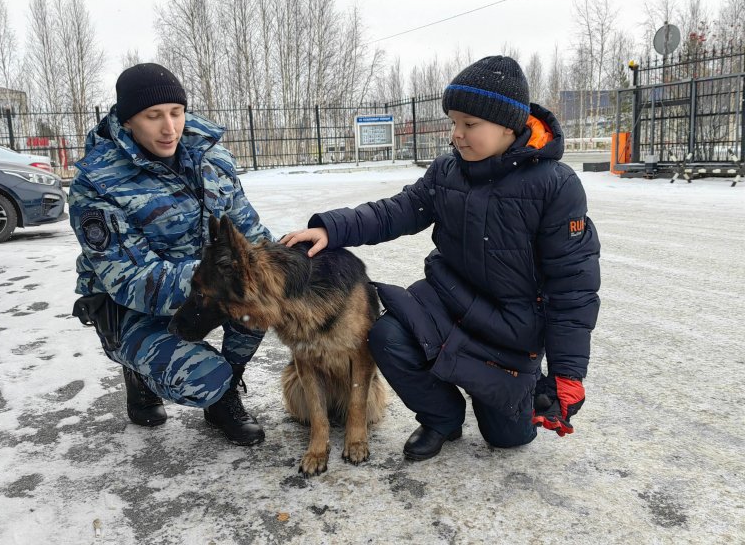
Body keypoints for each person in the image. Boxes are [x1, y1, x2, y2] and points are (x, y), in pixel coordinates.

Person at [281, 55, 601, 460]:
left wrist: (567, 374)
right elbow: (396, 211)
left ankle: (503, 398)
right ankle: (442, 416)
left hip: (509, 327)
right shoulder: (447, 171)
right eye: (454, 122)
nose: (457, 135)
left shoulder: (555, 187)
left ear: (508, 125)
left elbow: (574, 284)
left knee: (508, 438)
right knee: (385, 335)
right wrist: (332, 228)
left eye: (470, 125)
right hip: (447, 302)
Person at [69, 63, 273, 446]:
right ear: (128, 121)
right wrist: (223, 279)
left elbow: (249, 232)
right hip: (131, 307)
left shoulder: (212, 159)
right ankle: (140, 371)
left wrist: (283, 265)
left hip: (207, 290)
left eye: (176, 113)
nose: (169, 128)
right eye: (154, 116)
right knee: (202, 376)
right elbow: (129, 280)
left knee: (262, 304)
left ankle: (223, 397)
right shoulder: (97, 183)